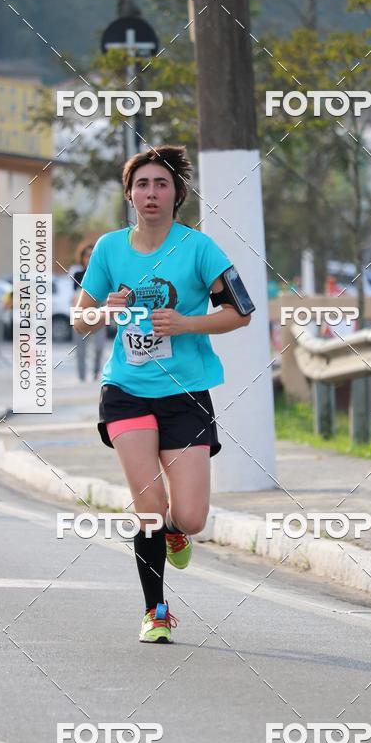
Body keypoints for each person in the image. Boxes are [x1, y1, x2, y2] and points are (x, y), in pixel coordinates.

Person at [73, 146, 254, 643]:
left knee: (190, 516)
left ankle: (175, 529)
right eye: (142, 185)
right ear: (129, 194)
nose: (151, 193)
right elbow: (79, 319)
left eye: (161, 184)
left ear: (177, 194)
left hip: (186, 393)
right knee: (148, 506)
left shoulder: (199, 249)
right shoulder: (110, 249)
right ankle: (155, 611)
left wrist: (188, 322)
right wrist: (103, 310)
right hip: (126, 391)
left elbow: (242, 312)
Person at [71, 244, 106, 381]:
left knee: (99, 347)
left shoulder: (103, 274)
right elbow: (74, 295)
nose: (89, 258)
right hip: (80, 314)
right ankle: (82, 378)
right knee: (80, 349)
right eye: (87, 255)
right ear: (82, 258)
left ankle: (96, 373)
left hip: (98, 314)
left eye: (92, 255)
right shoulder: (77, 274)